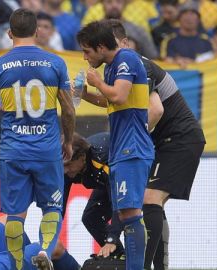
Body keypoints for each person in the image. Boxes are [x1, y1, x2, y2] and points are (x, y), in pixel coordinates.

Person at [0, 8, 75, 270]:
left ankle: (17, 265)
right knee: (52, 207)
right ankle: (44, 251)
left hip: (13, 151)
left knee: (14, 213)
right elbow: (69, 108)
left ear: (9, 34)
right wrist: (69, 141)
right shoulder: (55, 63)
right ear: (38, 32)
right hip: (47, 149)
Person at [76, 20, 154, 270]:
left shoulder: (126, 58)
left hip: (132, 147)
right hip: (121, 148)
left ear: (101, 47)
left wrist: (97, 82)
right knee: (126, 215)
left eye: (87, 51)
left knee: (131, 215)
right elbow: (113, 101)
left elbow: (118, 94)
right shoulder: (112, 67)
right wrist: (86, 94)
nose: (84, 56)